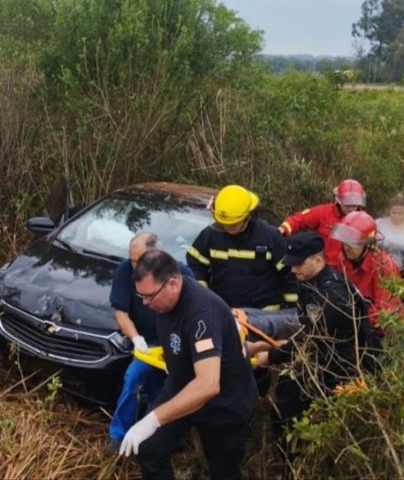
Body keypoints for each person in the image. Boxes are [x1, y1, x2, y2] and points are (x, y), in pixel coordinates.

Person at [120, 250, 258, 480]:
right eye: (140, 296)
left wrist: (154, 419)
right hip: (181, 387)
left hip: (223, 403)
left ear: (173, 284)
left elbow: (207, 385)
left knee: (223, 471)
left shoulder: (202, 314)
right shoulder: (163, 300)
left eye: (149, 296)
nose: (145, 303)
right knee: (149, 447)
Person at [252, 231, 370, 450]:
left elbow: (310, 337)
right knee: (283, 403)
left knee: (294, 413)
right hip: (316, 361)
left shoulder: (332, 293)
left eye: (298, 264)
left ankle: (296, 460)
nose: (293, 269)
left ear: (317, 260)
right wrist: (270, 345)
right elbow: (306, 328)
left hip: (338, 370)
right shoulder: (310, 282)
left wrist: (270, 356)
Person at [107, 233, 195, 451]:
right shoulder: (126, 271)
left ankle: (170, 439)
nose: (134, 266)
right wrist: (136, 338)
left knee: (171, 389)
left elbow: (191, 316)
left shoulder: (180, 275)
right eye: (132, 260)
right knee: (133, 379)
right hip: (146, 344)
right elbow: (120, 312)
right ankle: (117, 435)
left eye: (140, 261)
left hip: (173, 344)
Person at [186, 184, 299, 310]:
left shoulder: (269, 237)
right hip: (225, 312)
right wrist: (203, 294)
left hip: (264, 316)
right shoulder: (211, 235)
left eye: (233, 224)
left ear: (247, 217)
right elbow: (195, 264)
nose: (228, 228)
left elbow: (289, 275)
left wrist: (293, 311)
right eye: (224, 224)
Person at [330, 211, 404, 338]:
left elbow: (384, 313)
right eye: (345, 241)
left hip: (385, 332)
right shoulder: (343, 259)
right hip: (357, 323)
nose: (347, 247)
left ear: (369, 244)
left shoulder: (383, 266)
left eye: (354, 243)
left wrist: (350, 320)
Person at [278, 179, 367, 269]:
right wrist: (282, 229)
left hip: (350, 271)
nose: (351, 208)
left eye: (354, 205)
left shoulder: (365, 220)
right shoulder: (323, 212)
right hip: (323, 268)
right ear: (339, 200)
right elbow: (299, 219)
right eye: (347, 205)